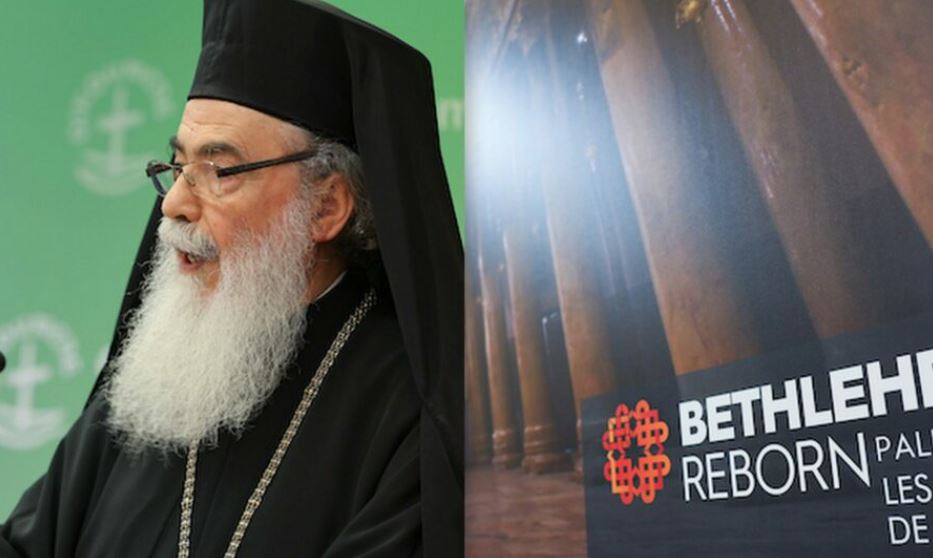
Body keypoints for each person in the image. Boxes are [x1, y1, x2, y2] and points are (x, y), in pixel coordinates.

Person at [0, 0, 463, 556]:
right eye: (176, 167)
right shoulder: (150, 391)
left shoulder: (410, 420)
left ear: (326, 207)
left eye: (216, 171)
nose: (173, 204)